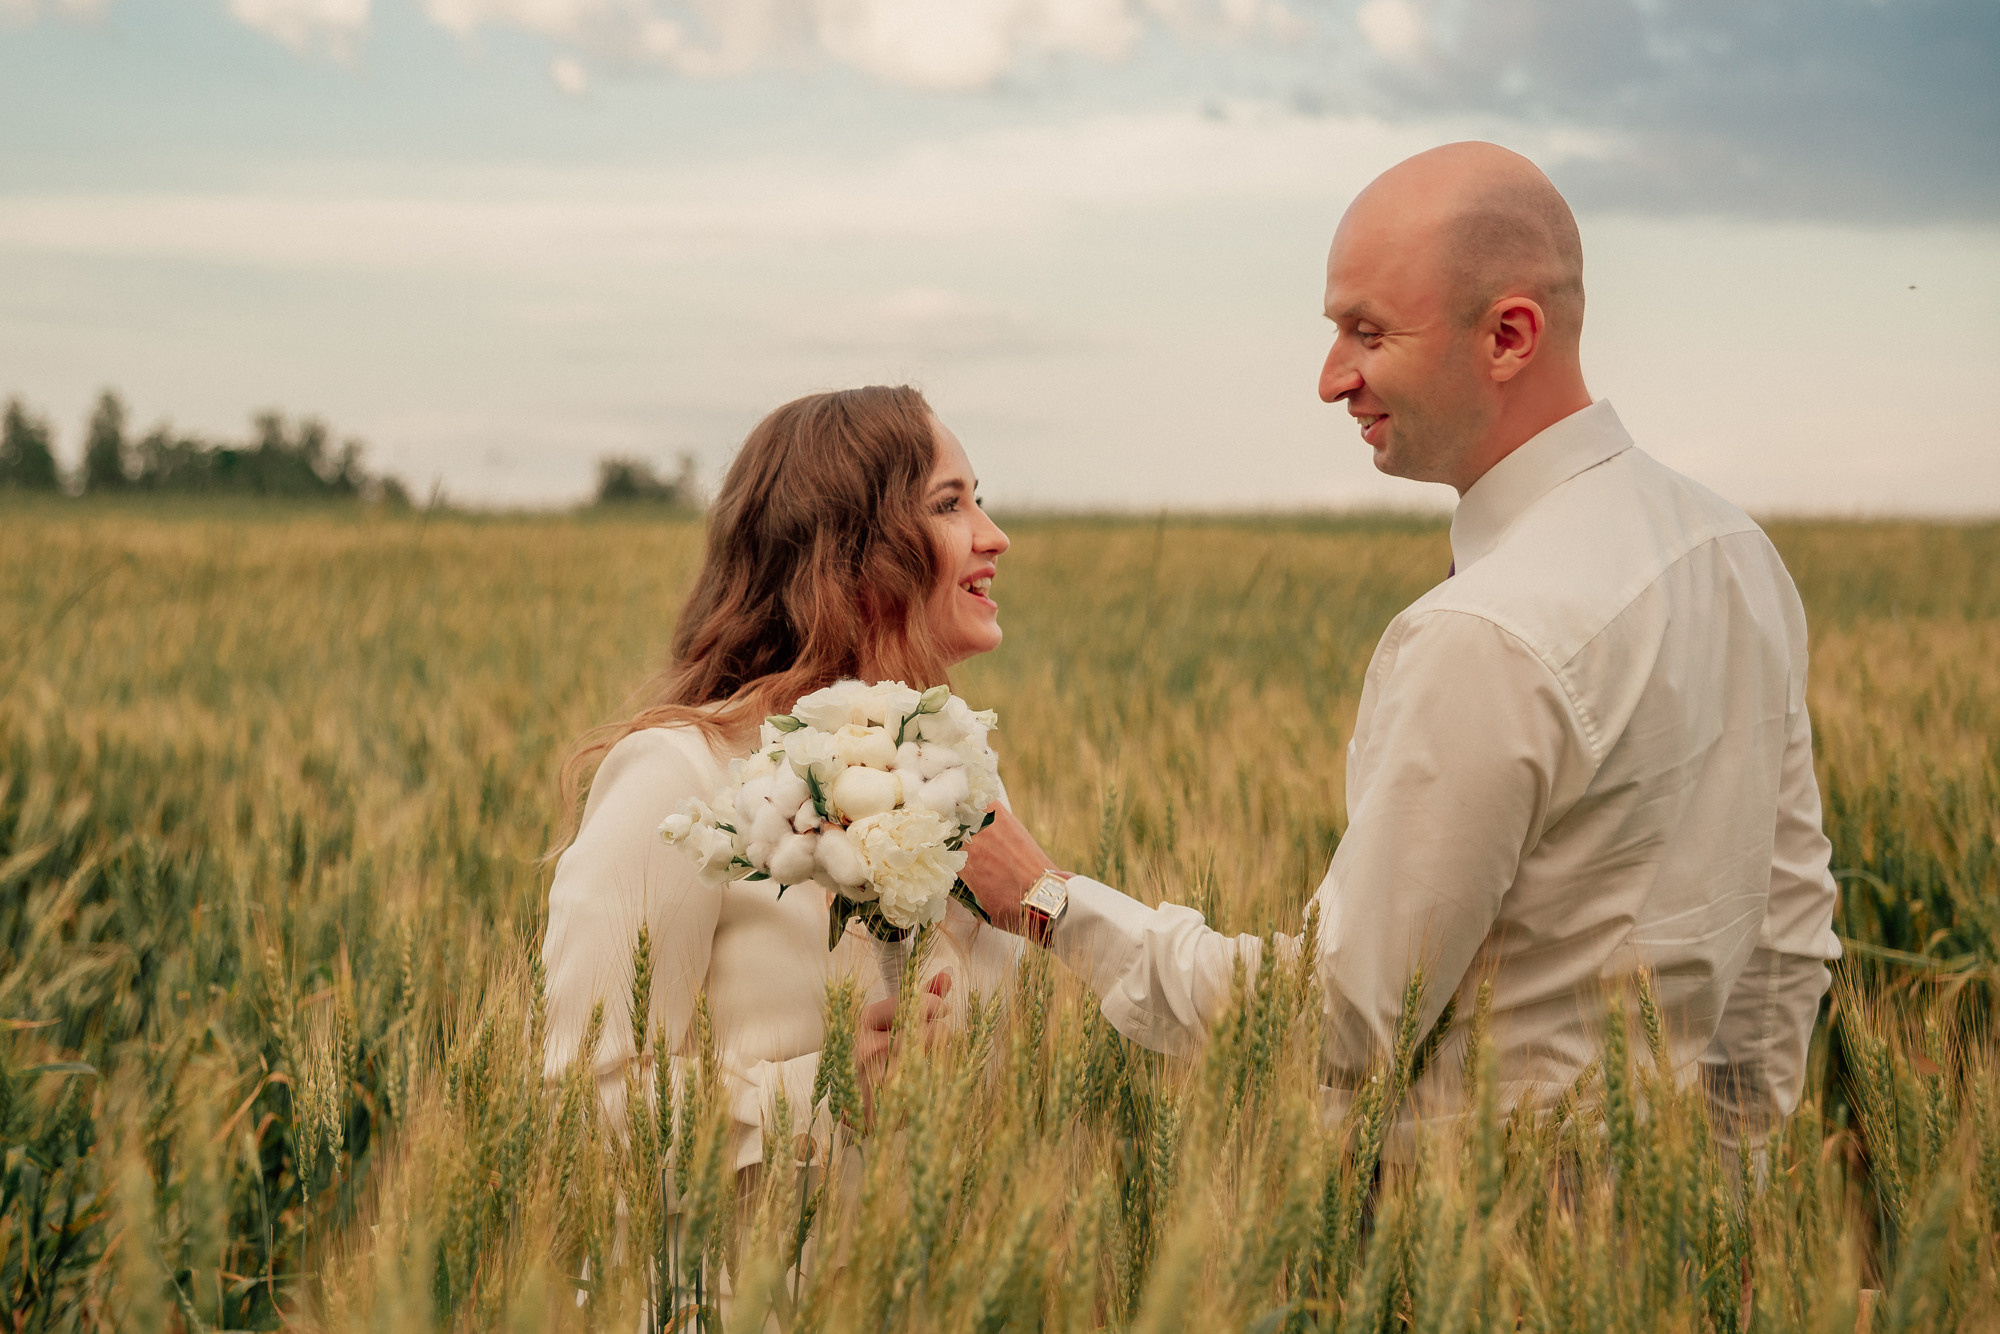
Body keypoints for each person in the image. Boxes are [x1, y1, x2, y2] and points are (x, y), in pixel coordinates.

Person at [960, 142, 1842, 1148]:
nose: (1331, 378)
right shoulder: (1729, 547)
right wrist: (1727, 1196)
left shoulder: (1484, 633)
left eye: (1365, 332)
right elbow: (1783, 934)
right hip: (1675, 1240)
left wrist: (1048, 900)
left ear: (1507, 336)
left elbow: (1336, 1019)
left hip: (1476, 1242)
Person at [541, 385, 1023, 1173]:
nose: (994, 536)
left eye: (981, 502)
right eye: (950, 505)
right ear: (852, 548)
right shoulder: (679, 777)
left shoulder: (962, 778)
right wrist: (820, 1094)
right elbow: (574, 1108)